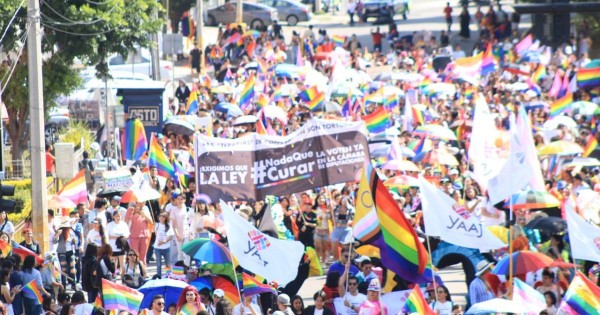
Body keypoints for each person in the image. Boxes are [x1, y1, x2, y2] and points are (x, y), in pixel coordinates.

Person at [53, 221, 79, 290]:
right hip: (62, 252)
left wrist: (74, 241)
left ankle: (73, 284)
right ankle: (63, 286)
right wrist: (57, 235)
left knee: (72, 269)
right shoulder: (60, 233)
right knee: (63, 269)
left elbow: (75, 241)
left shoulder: (71, 232)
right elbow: (54, 241)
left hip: (70, 252)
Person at [107, 210, 130, 277]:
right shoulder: (110, 225)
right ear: (113, 217)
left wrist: (122, 238)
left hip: (122, 247)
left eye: (119, 216)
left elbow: (127, 234)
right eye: (116, 216)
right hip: (112, 247)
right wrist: (114, 237)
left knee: (123, 264)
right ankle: (113, 276)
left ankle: (123, 278)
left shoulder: (124, 224)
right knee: (113, 264)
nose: (118, 217)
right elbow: (106, 235)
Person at [154, 211, 174, 278]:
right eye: (160, 216)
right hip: (157, 248)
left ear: (165, 218)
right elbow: (153, 232)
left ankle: (168, 276)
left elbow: (171, 236)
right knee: (158, 264)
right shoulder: (156, 225)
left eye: (163, 216)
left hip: (166, 247)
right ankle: (158, 277)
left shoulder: (168, 226)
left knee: (167, 264)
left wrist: (163, 241)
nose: (161, 218)